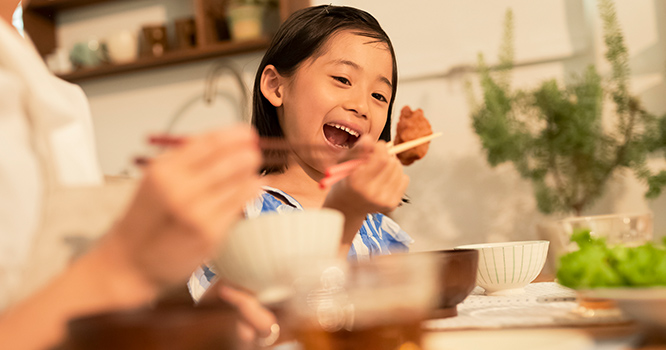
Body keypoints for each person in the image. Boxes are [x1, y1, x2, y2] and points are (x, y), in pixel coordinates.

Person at [0, 1, 273, 349]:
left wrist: (202, 320)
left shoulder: (40, 78)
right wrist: (127, 264)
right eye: (341, 78)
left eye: (370, 92)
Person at [190, 4, 412, 300]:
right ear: (276, 86)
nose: (361, 106)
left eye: (379, 96)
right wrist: (345, 213)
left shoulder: (376, 225)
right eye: (343, 79)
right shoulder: (238, 210)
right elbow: (226, 325)